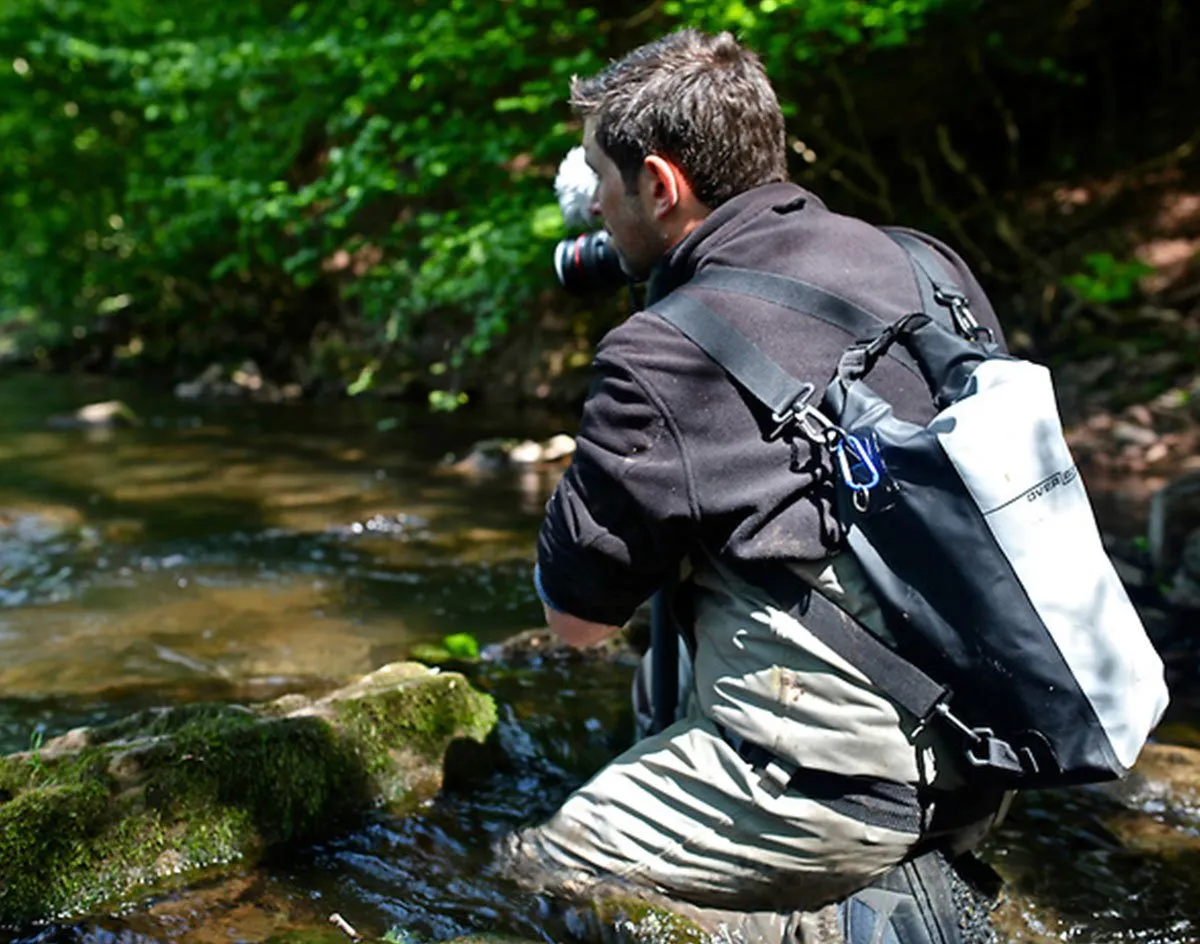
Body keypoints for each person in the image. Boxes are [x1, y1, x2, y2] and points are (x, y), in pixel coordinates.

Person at [502, 28, 1007, 944]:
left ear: (659, 185)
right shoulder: (926, 266)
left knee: (544, 875)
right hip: (995, 747)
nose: (599, 214)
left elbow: (576, 622)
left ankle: (849, 929)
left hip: (844, 793)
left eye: (601, 182)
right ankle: (925, 864)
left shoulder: (665, 350)